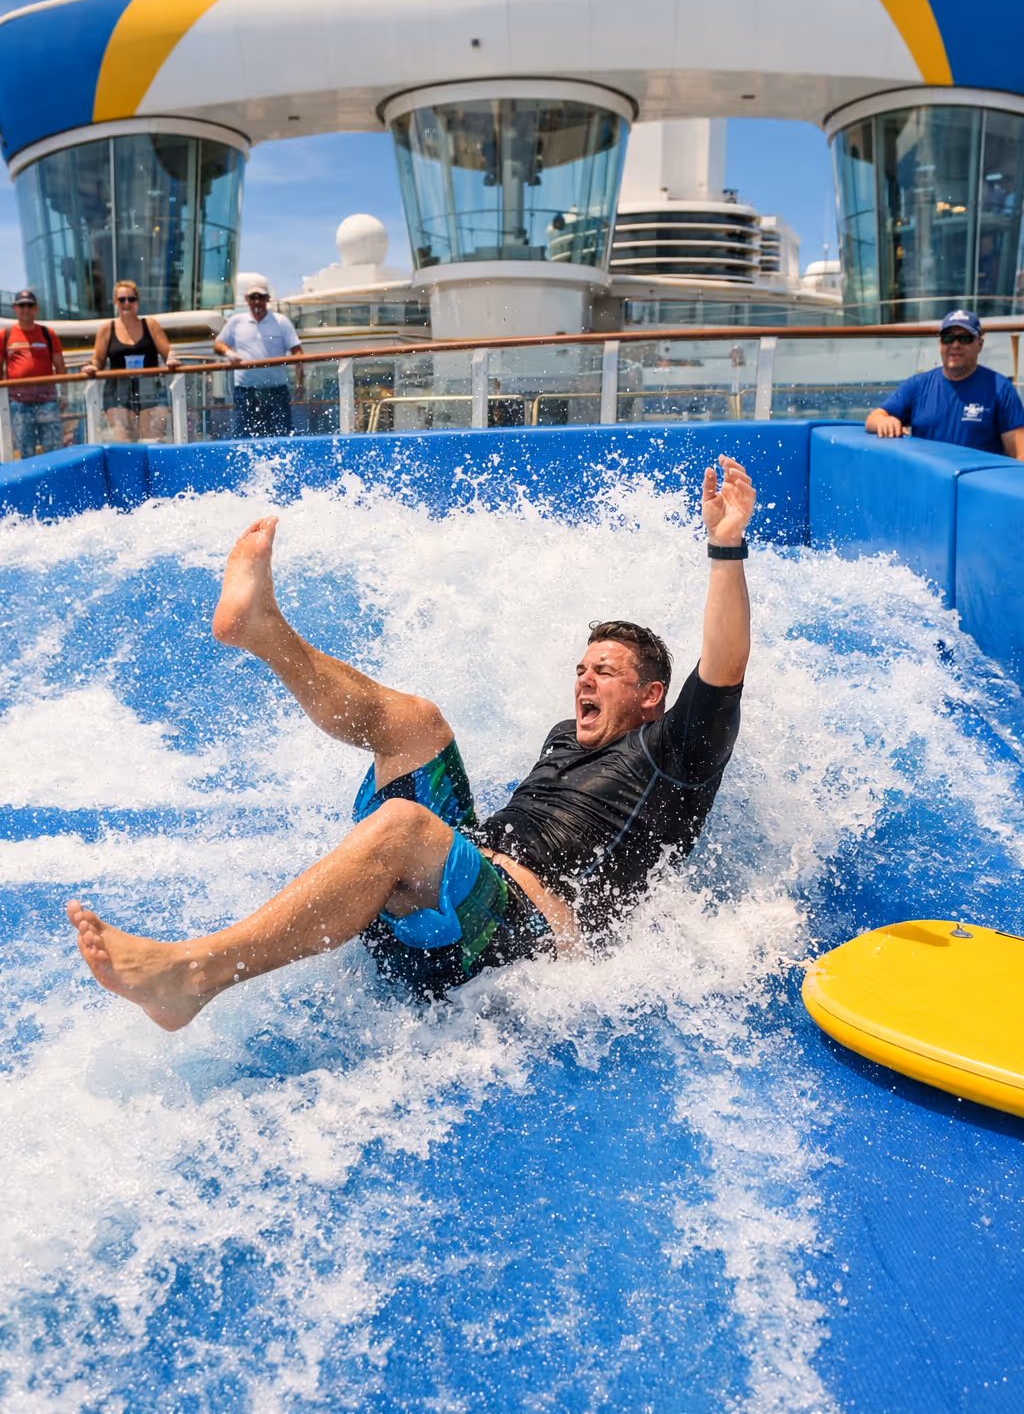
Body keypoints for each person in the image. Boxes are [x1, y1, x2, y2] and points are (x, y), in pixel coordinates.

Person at [66, 454, 755, 1031]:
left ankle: (195, 975)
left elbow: (724, 668)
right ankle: (264, 633)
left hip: (508, 943)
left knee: (402, 825)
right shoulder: (564, 739)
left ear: (651, 696)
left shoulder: (676, 756)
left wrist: (725, 547)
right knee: (416, 721)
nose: (584, 678)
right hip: (455, 893)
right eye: (581, 668)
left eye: (604, 671)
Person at [865, 309, 1024, 458]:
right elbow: (873, 418)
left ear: (979, 344)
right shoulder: (917, 385)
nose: (955, 345)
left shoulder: (1000, 388)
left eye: (965, 338)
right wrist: (885, 421)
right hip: (929, 476)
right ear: (940, 343)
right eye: (948, 338)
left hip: (977, 477)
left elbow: (1020, 454)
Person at [84, 281, 181, 442]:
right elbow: (98, 359)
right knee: (124, 443)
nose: (127, 303)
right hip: (117, 393)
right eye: (122, 300)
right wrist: (92, 367)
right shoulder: (106, 329)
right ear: (115, 302)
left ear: (137, 302)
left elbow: (168, 352)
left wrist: (172, 358)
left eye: (131, 299)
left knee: (152, 441)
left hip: (151, 390)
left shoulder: (151, 325)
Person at [213, 282, 304, 438]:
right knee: (244, 439)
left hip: (277, 391)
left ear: (268, 299)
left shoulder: (281, 321)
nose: (257, 301)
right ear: (246, 299)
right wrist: (229, 353)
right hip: (245, 391)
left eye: (261, 297)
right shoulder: (236, 321)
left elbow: (298, 353)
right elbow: (218, 344)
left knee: (282, 436)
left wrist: (299, 383)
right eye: (253, 297)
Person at [1, 290, 66, 459]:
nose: (26, 309)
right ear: (15, 308)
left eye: (30, 305)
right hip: (18, 404)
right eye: (22, 305)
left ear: (36, 308)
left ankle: (55, 475)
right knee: (26, 450)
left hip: (47, 401)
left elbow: (60, 366)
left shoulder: (48, 334)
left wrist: (64, 395)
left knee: (54, 448)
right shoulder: (5, 335)